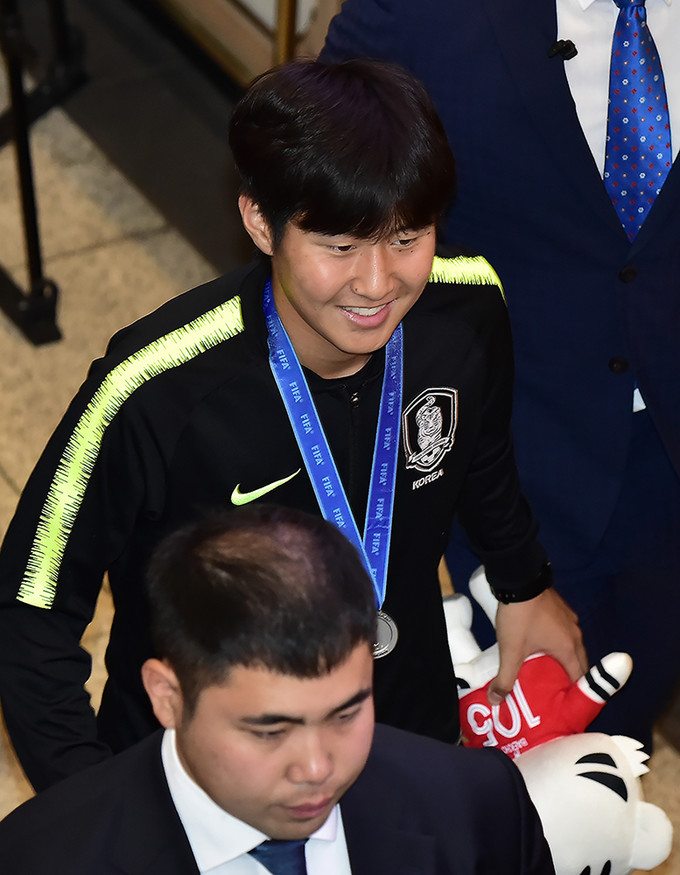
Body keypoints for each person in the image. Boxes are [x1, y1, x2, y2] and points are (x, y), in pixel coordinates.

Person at [0, 57, 585, 792]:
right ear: (260, 222)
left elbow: (482, 453)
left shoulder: (466, 310)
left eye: (407, 238)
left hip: (403, 740)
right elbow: (30, 612)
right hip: (207, 779)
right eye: (340, 247)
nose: (378, 283)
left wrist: (523, 580)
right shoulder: (155, 388)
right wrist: (93, 808)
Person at [320, 0, 680, 749]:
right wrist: (512, 569)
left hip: (664, 478)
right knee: (520, 759)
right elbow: (328, 214)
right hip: (520, 469)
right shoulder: (418, 15)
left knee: (623, 744)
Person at [0, 505, 554, 874]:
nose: (316, 768)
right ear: (168, 696)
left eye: (346, 714)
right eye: (270, 731)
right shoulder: (39, 859)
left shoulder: (478, 804)